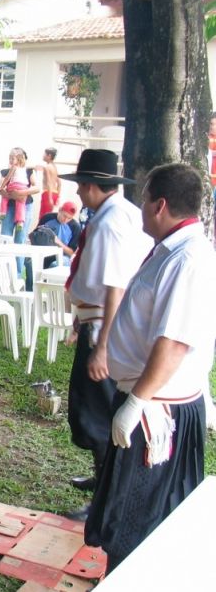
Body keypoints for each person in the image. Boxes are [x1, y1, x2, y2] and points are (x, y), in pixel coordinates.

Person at [85, 163, 216, 573]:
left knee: (138, 519)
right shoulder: (173, 249)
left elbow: (175, 340)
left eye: (143, 199)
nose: (139, 207)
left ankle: (131, 579)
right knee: (129, 515)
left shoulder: (188, 258)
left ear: (160, 205)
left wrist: (136, 402)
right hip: (152, 400)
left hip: (158, 411)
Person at [60, 149, 152, 519]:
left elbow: (115, 286)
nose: (79, 194)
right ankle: (102, 480)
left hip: (106, 328)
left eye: (82, 187)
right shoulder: (117, 212)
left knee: (94, 411)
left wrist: (103, 347)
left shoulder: (112, 222)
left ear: (92, 186)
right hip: (95, 320)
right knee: (90, 405)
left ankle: (104, 500)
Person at [0, 147, 40, 274]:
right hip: (9, 206)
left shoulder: (29, 171)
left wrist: (21, 193)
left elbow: (36, 187)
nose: (11, 160)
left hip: (25, 205)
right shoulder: (6, 171)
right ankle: (3, 272)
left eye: (14, 158)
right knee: (5, 237)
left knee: (20, 240)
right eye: (10, 158)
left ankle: (17, 273)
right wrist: (10, 195)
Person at [24, 201, 82, 291]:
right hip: (43, 253)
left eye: (69, 218)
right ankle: (31, 291)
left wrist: (58, 242)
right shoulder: (47, 218)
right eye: (64, 216)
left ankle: (52, 294)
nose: (65, 220)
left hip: (62, 257)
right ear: (60, 210)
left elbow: (71, 253)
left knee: (55, 265)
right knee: (30, 262)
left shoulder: (75, 227)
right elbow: (35, 235)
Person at [0, 148, 31, 229]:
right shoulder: (24, 168)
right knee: (21, 204)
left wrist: (1, 187)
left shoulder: (14, 167)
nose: (11, 160)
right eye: (10, 158)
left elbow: (7, 178)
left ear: (19, 159)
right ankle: (20, 222)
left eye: (12, 158)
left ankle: (3, 212)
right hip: (23, 187)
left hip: (15, 185)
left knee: (4, 195)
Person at [37, 147, 61, 218]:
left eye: (45, 154)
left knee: (43, 217)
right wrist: (58, 197)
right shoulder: (54, 167)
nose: (43, 155)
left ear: (49, 156)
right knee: (48, 216)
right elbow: (59, 183)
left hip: (48, 193)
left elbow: (49, 183)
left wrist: (50, 198)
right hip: (55, 193)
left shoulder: (47, 167)